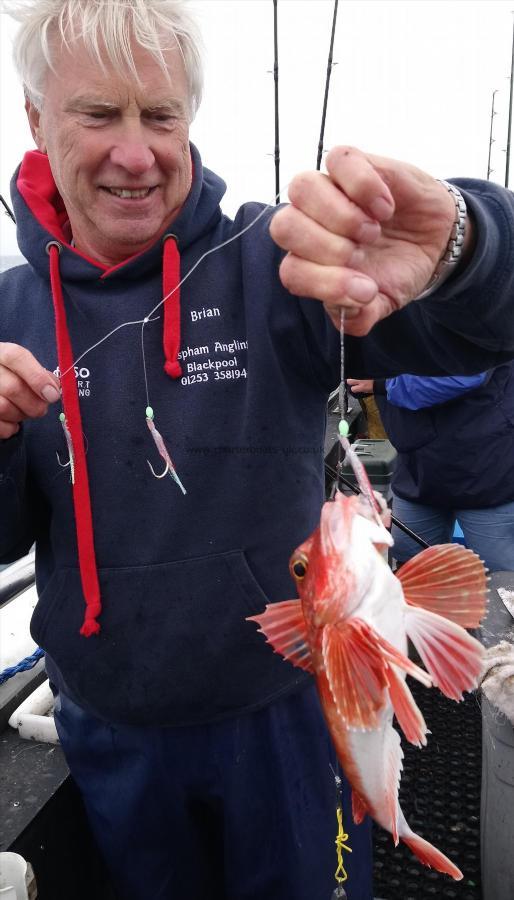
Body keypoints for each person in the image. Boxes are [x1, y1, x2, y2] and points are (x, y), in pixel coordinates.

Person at [1, 2, 514, 898]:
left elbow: (479, 334)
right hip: (111, 727)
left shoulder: (275, 262)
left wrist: (462, 251)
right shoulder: (9, 313)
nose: (136, 152)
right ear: (37, 117)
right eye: (97, 114)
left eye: (159, 115)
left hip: (285, 718)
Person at [348, 369, 514, 572]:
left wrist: (381, 382)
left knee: (502, 581)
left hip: (487, 470)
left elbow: (465, 373)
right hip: (415, 468)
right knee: (412, 568)